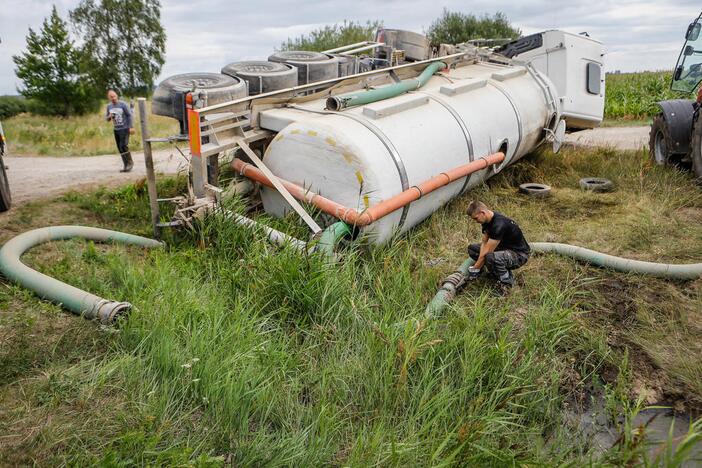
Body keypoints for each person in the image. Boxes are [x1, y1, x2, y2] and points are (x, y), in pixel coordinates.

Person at [466, 200, 530, 294]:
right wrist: (477, 267)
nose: (476, 221)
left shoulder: (498, 225)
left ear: (482, 213)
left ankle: (507, 284)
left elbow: (487, 252)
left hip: (519, 255)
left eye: (476, 218)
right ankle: (491, 271)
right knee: (472, 249)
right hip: (504, 248)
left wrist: (474, 269)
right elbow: (484, 243)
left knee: (490, 258)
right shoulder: (486, 220)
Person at [105, 90, 134, 172]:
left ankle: (130, 163)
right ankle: (126, 165)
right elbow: (106, 119)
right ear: (109, 98)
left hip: (124, 128)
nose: (113, 98)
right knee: (120, 148)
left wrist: (131, 127)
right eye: (111, 97)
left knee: (123, 145)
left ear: (116, 96)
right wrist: (109, 116)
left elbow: (129, 116)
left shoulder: (123, 104)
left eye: (114, 96)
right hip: (116, 129)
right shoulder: (109, 106)